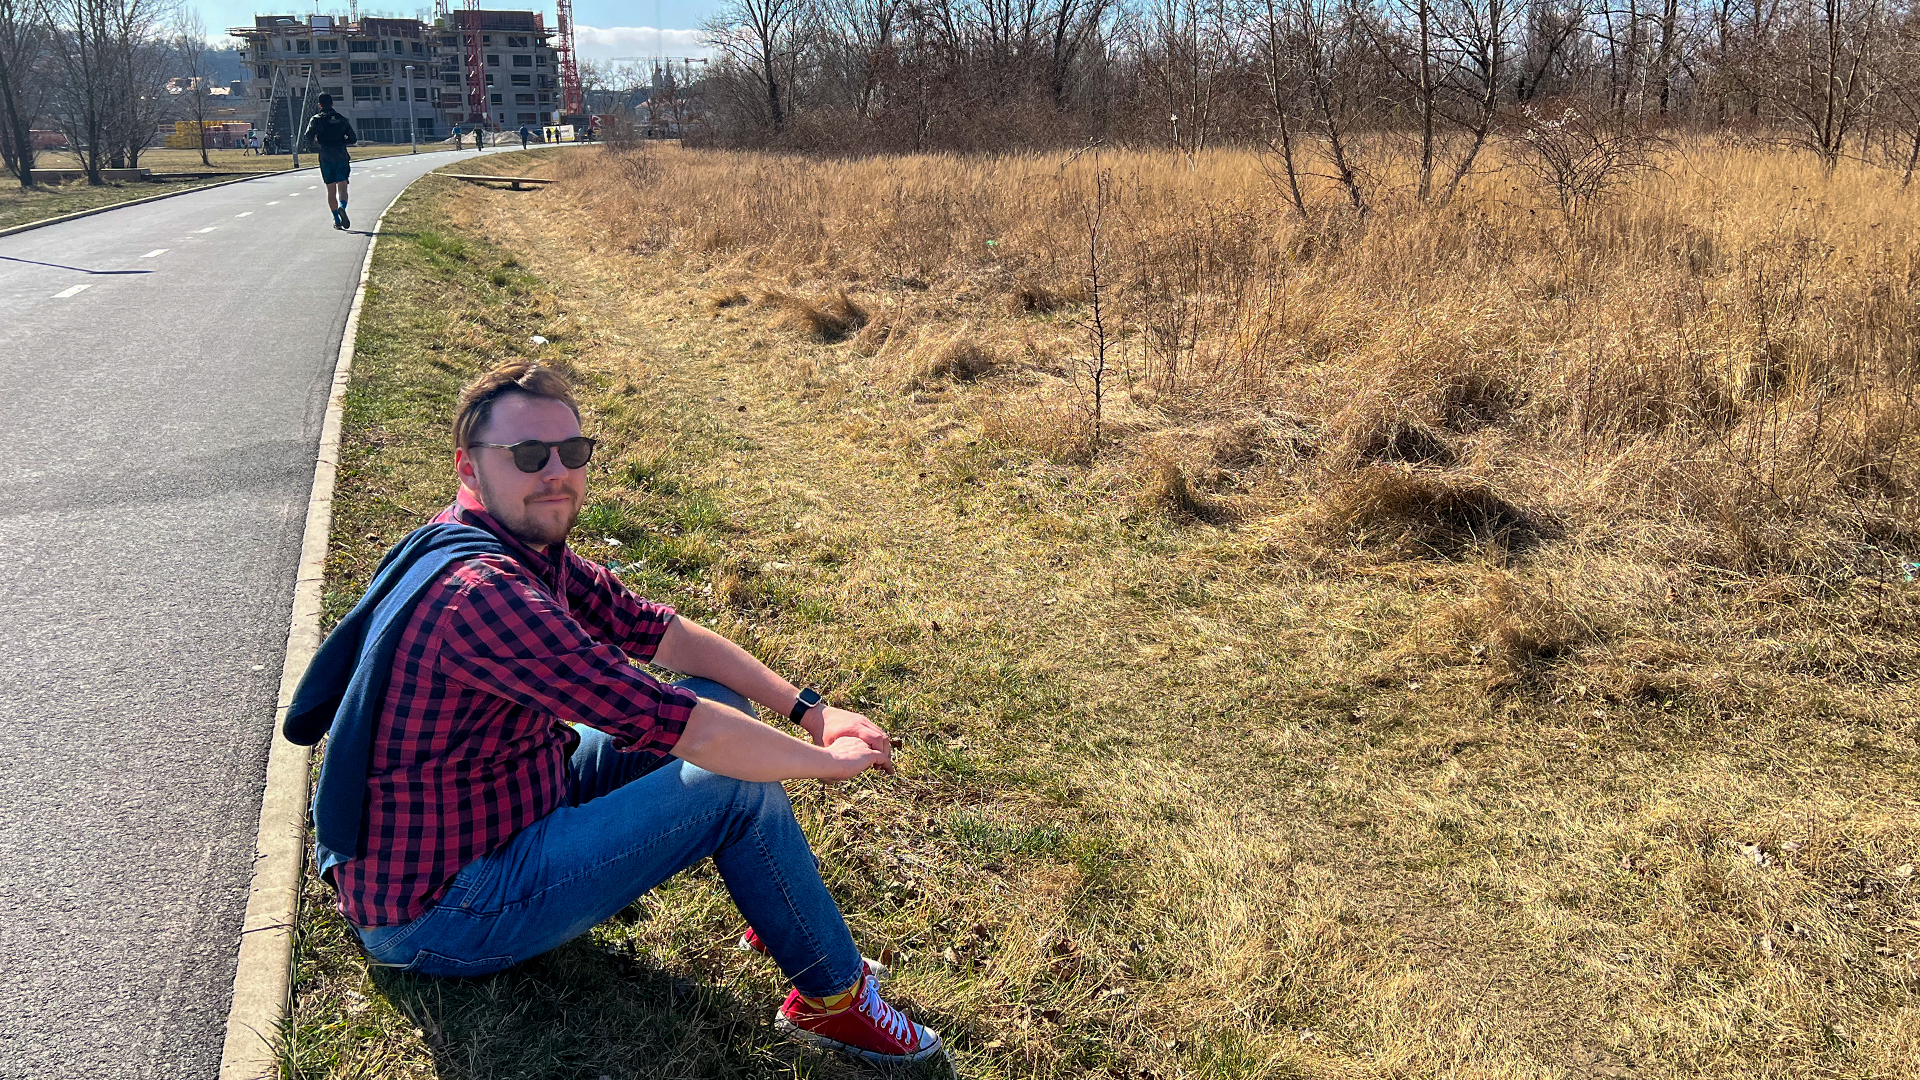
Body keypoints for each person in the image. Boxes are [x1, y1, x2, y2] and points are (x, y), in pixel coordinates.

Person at [285, 362, 944, 1065]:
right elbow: (673, 722)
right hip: (443, 908)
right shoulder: (484, 593)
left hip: (507, 798)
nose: (556, 473)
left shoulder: (512, 542)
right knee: (733, 787)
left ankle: (776, 900)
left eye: (572, 452)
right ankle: (835, 1004)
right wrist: (825, 762)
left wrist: (810, 710)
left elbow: (660, 632)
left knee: (720, 697)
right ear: (468, 468)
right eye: (528, 455)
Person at [303, 93, 357, 230]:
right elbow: (353, 139)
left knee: (331, 189)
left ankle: (337, 219)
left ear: (319, 105)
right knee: (343, 187)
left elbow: (308, 137)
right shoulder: (342, 119)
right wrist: (342, 141)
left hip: (326, 156)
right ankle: (342, 206)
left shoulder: (316, 119)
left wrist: (317, 143)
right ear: (332, 104)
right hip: (341, 155)